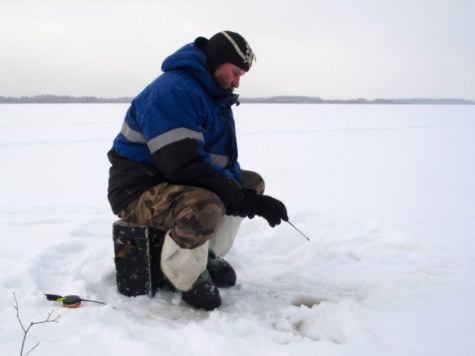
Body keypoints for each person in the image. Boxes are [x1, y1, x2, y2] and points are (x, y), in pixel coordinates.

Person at [107, 31, 288, 310]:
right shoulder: (174, 91)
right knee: (205, 204)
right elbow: (181, 165)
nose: (237, 82)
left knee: (250, 183)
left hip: (172, 181)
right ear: (217, 62)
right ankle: (183, 275)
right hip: (137, 189)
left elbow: (222, 162)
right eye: (235, 72)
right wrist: (239, 199)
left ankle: (205, 252)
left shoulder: (213, 95)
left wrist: (244, 193)